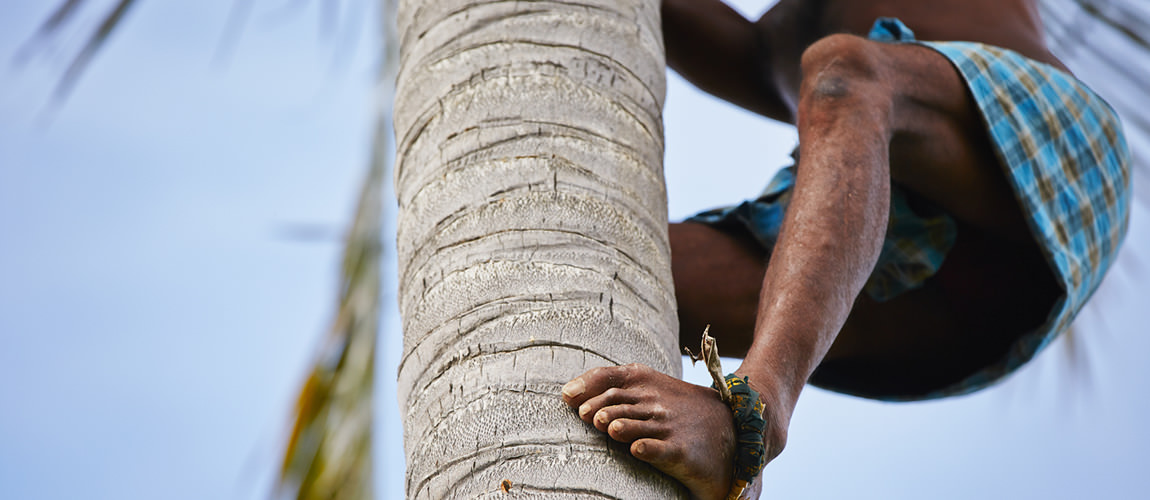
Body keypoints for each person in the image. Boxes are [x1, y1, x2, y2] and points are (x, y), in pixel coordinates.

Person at [560, 0, 1131, 498]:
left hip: (1049, 157)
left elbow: (844, 82)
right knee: (589, 266)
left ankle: (753, 416)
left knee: (845, 71)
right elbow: (730, 45)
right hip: (922, 271)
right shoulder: (790, 27)